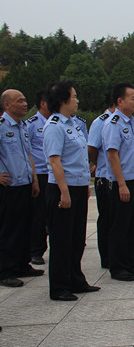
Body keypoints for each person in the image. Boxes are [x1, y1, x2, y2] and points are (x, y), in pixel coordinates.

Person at [42, 81, 98, 300]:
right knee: (61, 240)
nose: (77, 101)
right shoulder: (54, 126)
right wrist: (64, 192)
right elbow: (55, 162)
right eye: (74, 97)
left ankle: (75, 278)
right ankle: (59, 286)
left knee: (77, 238)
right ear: (63, 100)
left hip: (77, 186)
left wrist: (83, 185)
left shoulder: (73, 124)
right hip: (61, 189)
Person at [103, 83, 134, 281]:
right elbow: (112, 155)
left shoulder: (131, 122)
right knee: (120, 225)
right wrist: (121, 184)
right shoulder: (113, 123)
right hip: (122, 182)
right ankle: (118, 266)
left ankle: (131, 261)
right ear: (120, 101)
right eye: (132, 98)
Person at [0, 89, 42, 288]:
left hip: (25, 183)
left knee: (26, 226)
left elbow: (28, 154)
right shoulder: (1, 126)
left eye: (25, 100)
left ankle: (21, 264)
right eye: (20, 101)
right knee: (9, 229)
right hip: (9, 186)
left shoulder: (23, 126)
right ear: (7, 105)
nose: (25, 104)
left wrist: (34, 179)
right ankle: (5, 270)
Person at [87, 96, 116, 269]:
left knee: (118, 219)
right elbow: (92, 148)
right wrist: (98, 164)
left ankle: (118, 254)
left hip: (118, 176)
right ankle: (106, 257)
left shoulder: (124, 122)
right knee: (107, 218)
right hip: (104, 176)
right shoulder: (101, 121)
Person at [27, 87, 52, 265]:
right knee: (38, 214)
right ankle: (36, 250)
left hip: (55, 174)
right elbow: (26, 151)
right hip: (41, 174)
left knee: (53, 214)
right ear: (43, 103)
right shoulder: (31, 124)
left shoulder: (59, 122)